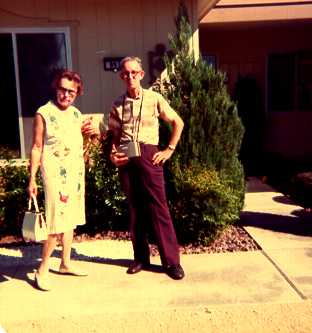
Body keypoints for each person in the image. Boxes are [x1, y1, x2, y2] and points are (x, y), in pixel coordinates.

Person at [108, 56, 185, 280]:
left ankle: (171, 262)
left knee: (158, 207)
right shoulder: (117, 104)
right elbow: (114, 136)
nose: (130, 77)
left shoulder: (154, 99)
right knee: (135, 209)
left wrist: (169, 149)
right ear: (121, 76)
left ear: (141, 75)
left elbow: (177, 122)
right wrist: (113, 154)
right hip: (126, 157)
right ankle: (140, 258)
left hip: (150, 156)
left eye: (134, 73)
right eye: (125, 74)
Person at [28, 69, 91, 291]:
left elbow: (75, 141)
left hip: (74, 174)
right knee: (56, 221)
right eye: (63, 90)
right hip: (53, 173)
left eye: (71, 91)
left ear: (77, 93)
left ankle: (65, 263)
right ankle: (42, 270)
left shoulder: (75, 114)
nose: (66, 95)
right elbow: (36, 147)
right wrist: (32, 178)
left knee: (70, 218)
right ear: (56, 88)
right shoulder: (43, 112)